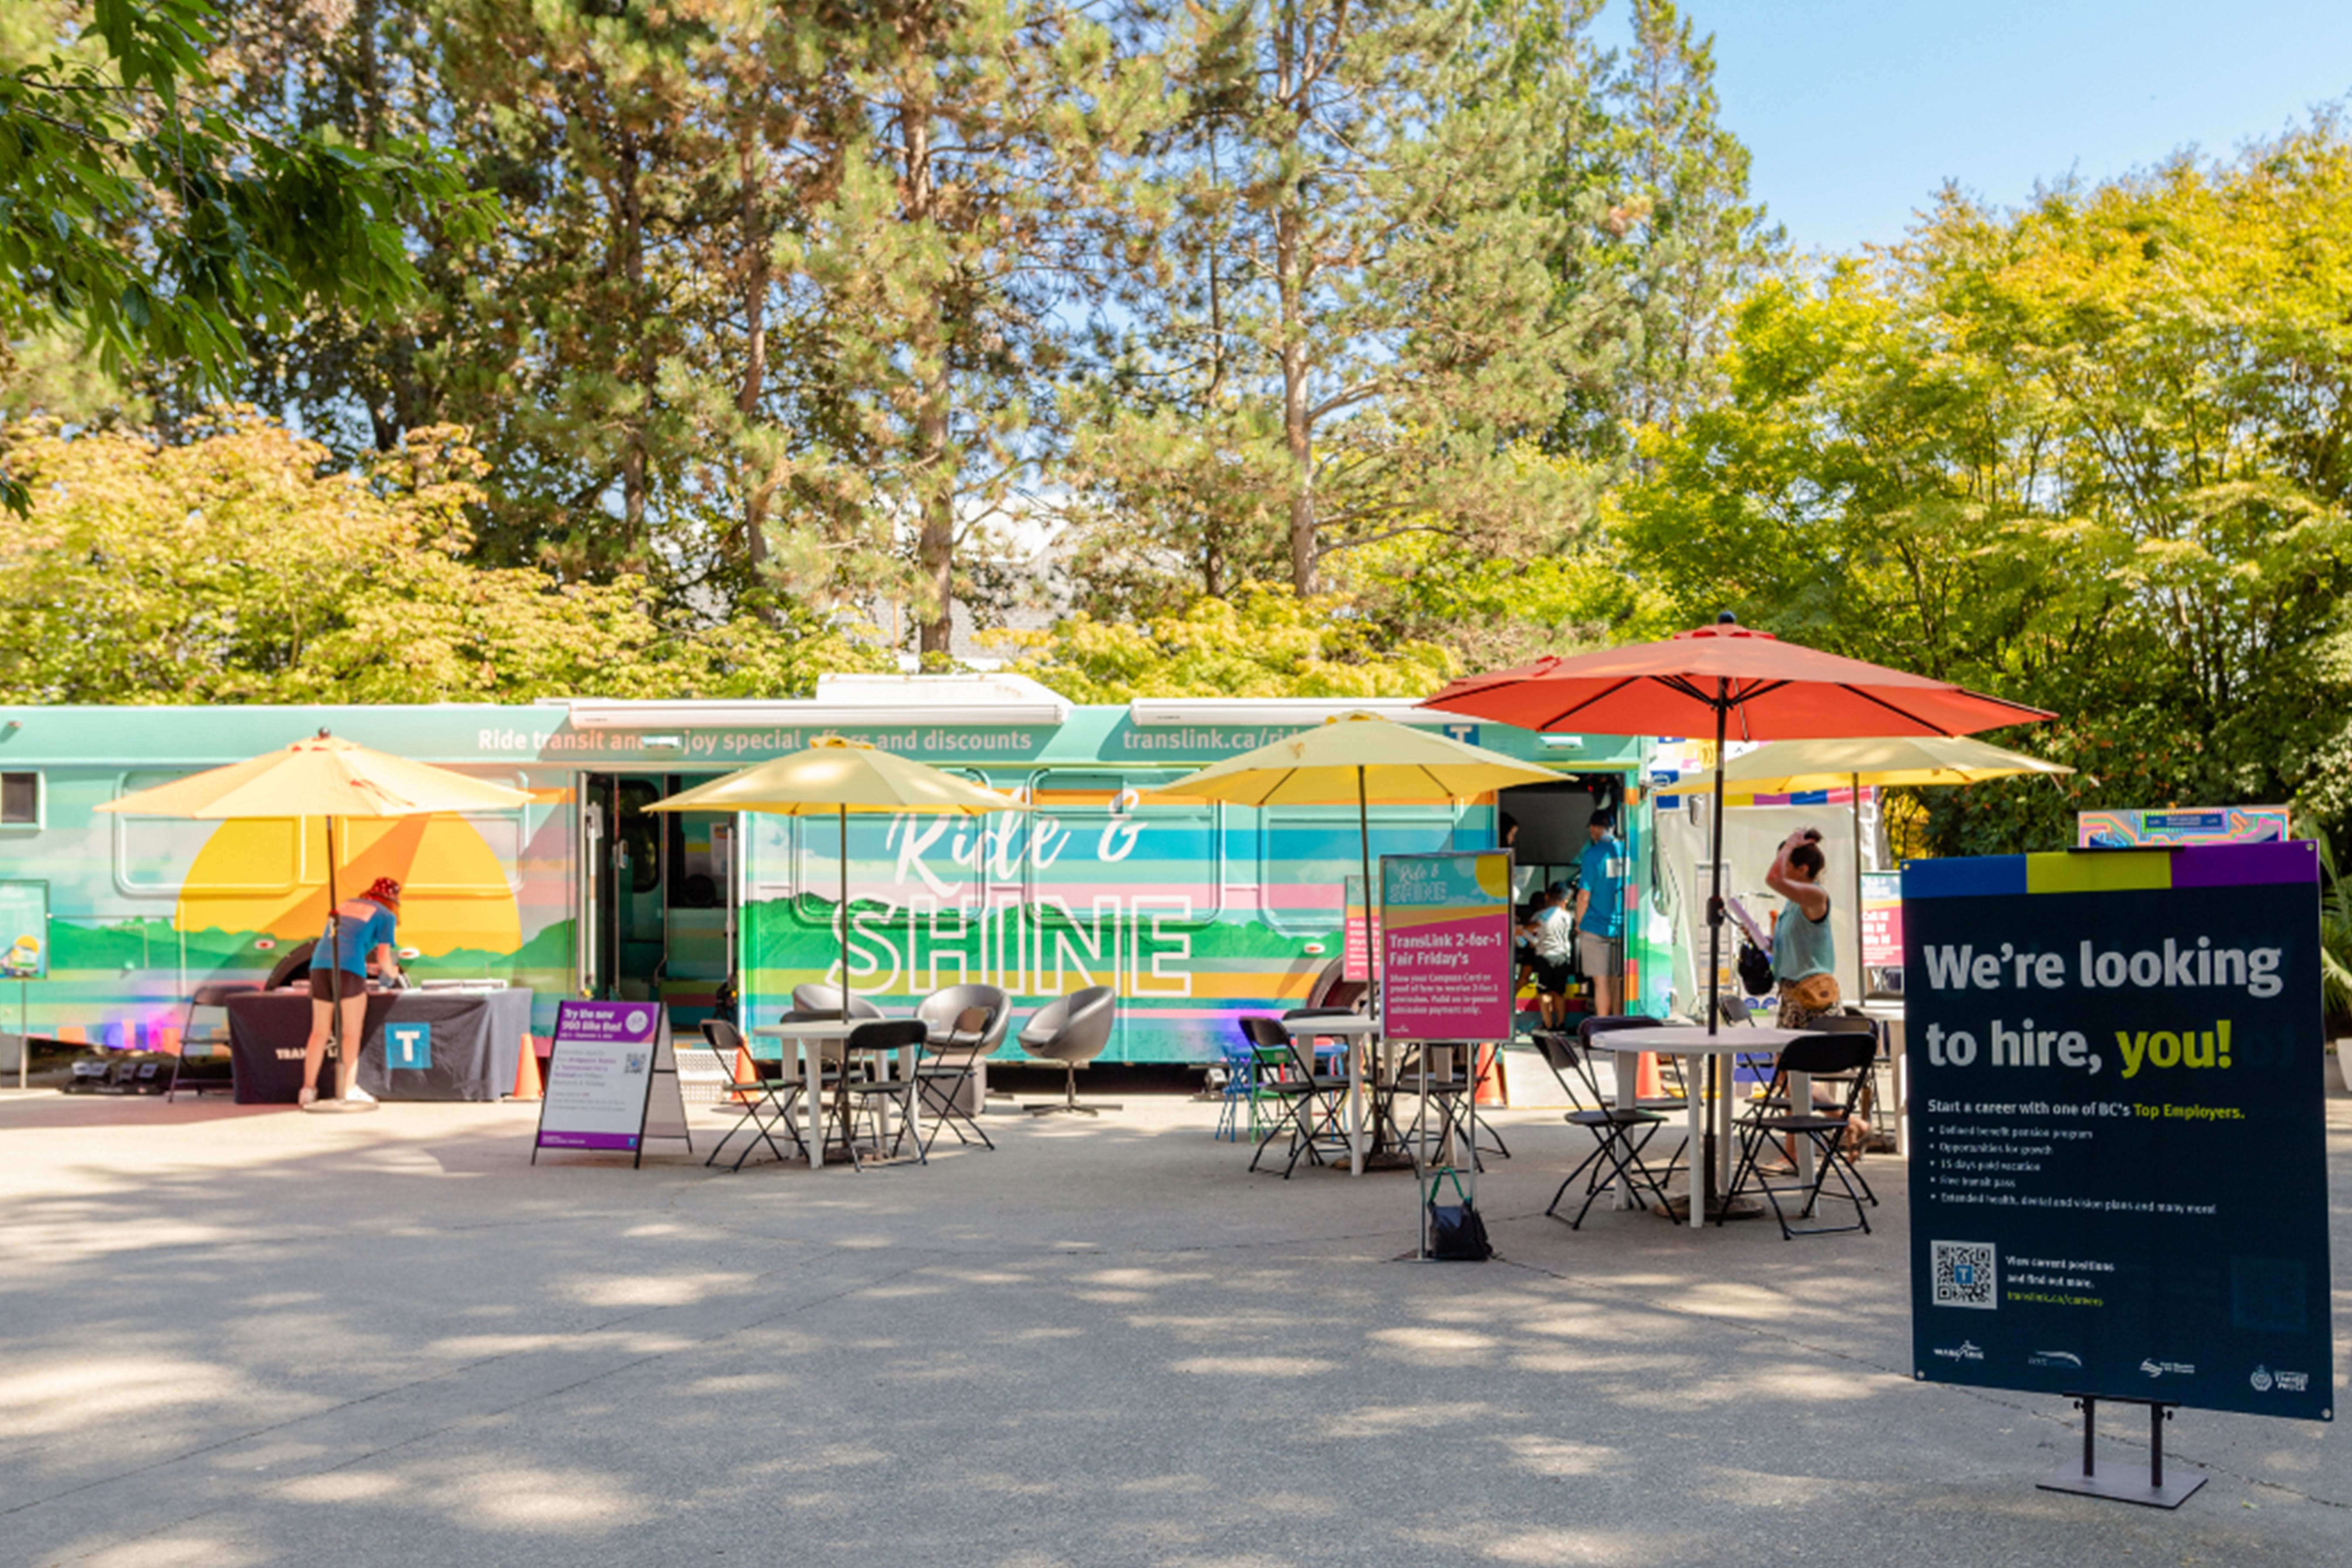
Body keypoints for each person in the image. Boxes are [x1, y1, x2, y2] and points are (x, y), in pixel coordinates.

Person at [300, 876, 404, 1108]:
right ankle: (348, 1089)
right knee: (351, 1033)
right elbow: (383, 957)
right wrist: (394, 973)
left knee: (319, 1031)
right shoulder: (387, 916)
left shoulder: (345, 905)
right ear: (394, 900)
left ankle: (308, 1090)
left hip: (319, 966)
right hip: (350, 969)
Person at [1765, 830, 1838, 1028]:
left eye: (1783, 862)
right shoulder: (1792, 905)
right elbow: (1794, 948)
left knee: (1798, 1057)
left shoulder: (1816, 896)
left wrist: (1789, 846)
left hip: (1812, 997)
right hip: (1791, 996)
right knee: (1784, 1057)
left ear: (1802, 869)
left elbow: (1773, 879)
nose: (1778, 867)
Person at [1573, 807, 1625, 1018]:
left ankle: (1604, 1026)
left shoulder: (1592, 855)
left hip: (1595, 925)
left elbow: (1584, 895)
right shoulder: (1625, 851)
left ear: (1595, 829)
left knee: (1600, 980)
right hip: (1622, 926)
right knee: (1617, 978)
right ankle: (1620, 1025)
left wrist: (1579, 922)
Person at [1531, 882, 1577, 1029]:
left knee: (1544, 993)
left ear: (1547, 896)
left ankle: (1548, 1024)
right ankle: (1561, 1023)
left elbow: (1533, 939)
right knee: (1559, 993)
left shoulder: (1539, 916)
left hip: (1544, 957)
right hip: (1563, 957)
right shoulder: (1568, 917)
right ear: (1564, 900)